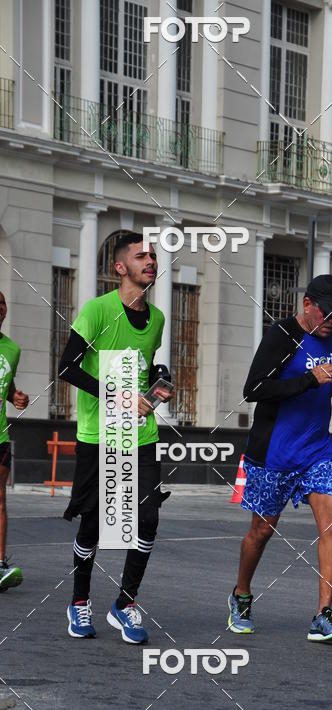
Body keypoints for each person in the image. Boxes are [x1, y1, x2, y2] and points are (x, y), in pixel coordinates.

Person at [228, 274, 332, 642]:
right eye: (327, 313)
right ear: (306, 304)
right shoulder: (281, 336)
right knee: (262, 530)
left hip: (317, 449)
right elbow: (254, 389)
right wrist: (307, 380)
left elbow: (329, 376)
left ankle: (323, 614)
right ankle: (240, 595)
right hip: (274, 452)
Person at [59, 232, 173, 643]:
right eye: (141, 256)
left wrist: (160, 379)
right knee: (93, 523)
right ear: (119, 268)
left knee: (147, 518)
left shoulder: (157, 319)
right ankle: (78, 601)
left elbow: (148, 366)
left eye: (154, 256)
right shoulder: (96, 310)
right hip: (98, 433)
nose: (151, 261)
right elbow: (67, 367)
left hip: (141, 435)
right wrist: (120, 396)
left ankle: (125, 604)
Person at [0, 292, 28, 592]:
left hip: (0, 436)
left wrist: (16, 396)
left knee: (0, 502)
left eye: (2, 302)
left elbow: (6, 386)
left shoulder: (12, 349)